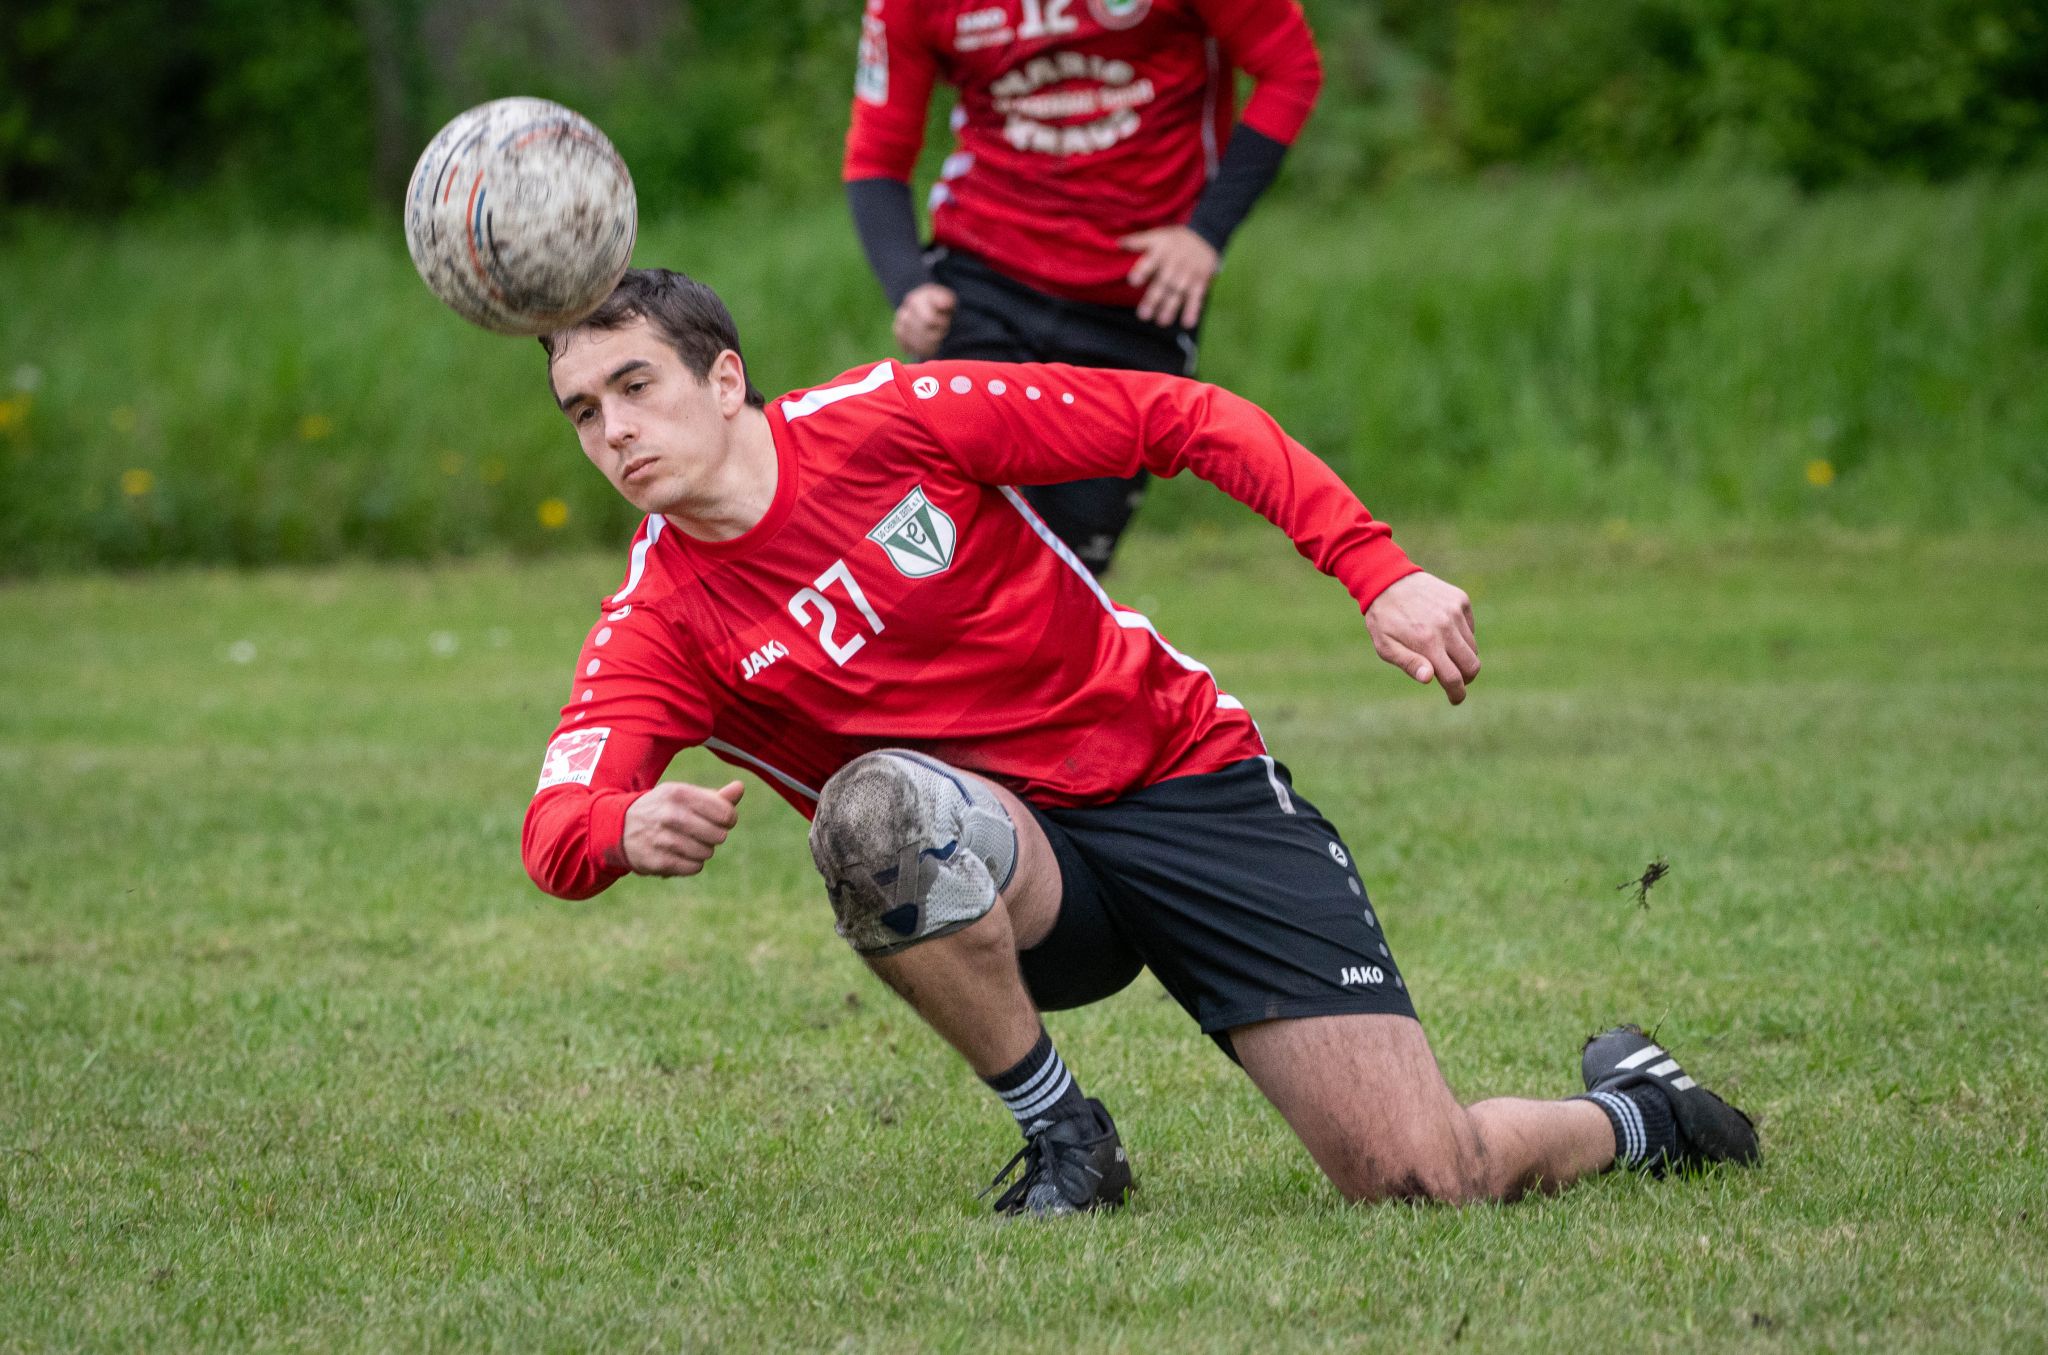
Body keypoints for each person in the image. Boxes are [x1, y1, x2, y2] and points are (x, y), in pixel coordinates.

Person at [521, 269, 1761, 1215]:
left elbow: (1187, 418)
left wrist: (1374, 568)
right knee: (871, 810)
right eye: (583, 410)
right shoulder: (659, 618)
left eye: (636, 386)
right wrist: (620, 828)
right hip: (1023, 874)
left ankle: (1641, 1112)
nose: (613, 430)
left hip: (1183, 781)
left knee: (1422, 1177)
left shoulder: (894, 417)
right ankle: (1066, 1135)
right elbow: (554, 827)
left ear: (723, 379)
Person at [843, 0, 1323, 575]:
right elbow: (876, 157)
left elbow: (1291, 69)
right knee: (948, 544)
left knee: (1070, 564)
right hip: (983, 277)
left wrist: (1206, 234)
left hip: (1135, 295)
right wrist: (909, 287)